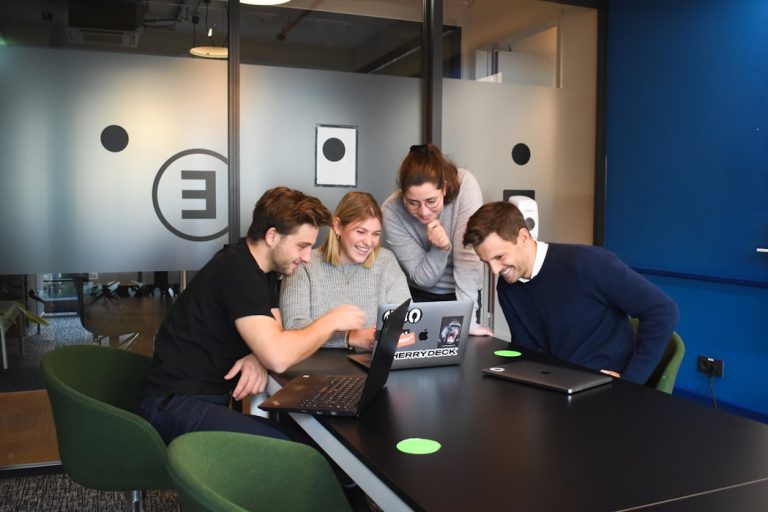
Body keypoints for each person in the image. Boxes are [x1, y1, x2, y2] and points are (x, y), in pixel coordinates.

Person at [137, 187, 368, 444]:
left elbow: (275, 333)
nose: (306, 258)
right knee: (299, 451)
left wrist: (259, 354)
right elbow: (279, 357)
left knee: (306, 441)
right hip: (173, 406)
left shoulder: (262, 270)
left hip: (200, 400)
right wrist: (331, 321)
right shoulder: (237, 270)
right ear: (272, 236)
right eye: (302, 246)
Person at [462, 201, 679, 384]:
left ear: (524, 237)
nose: (494, 270)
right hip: (560, 386)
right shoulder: (508, 288)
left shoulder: (588, 264)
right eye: (486, 262)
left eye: (499, 257)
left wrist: (630, 381)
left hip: (607, 389)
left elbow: (662, 311)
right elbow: (529, 352)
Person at [382, 143, 493, 336]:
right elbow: (422, 278)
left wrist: (469, 321)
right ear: (403, 194)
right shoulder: (391, 211)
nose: (423, 211)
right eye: (413, 203)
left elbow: (468, 259)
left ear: (444, 187)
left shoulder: (465, 185)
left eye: (431, 201)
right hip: (418, 295)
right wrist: (440, 249)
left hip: (464, 294)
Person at [280, 191, 411, 351]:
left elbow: (408, 320)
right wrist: (351, 337)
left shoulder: (386, 261)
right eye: (360, 232)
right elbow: (294, 328)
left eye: (375, 234)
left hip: (371, 363)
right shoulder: (304, 263)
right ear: (337, 226)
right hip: (315, 366)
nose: (369, 242)